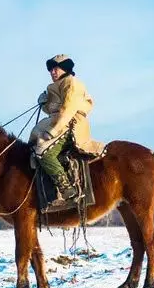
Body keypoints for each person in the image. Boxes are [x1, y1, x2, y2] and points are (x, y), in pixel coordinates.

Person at [29, 54, 104, 206]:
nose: (52, 72)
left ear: (65, 69)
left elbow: (67, 110)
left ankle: (67, 190)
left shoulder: (72, 83)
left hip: (70, 124)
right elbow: (52, 110)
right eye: (51, 70)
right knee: (32, 146)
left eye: (55, 69)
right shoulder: (54, 86)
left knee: (43, 152)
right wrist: (43, 103)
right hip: (56, 122)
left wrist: (53, 131)